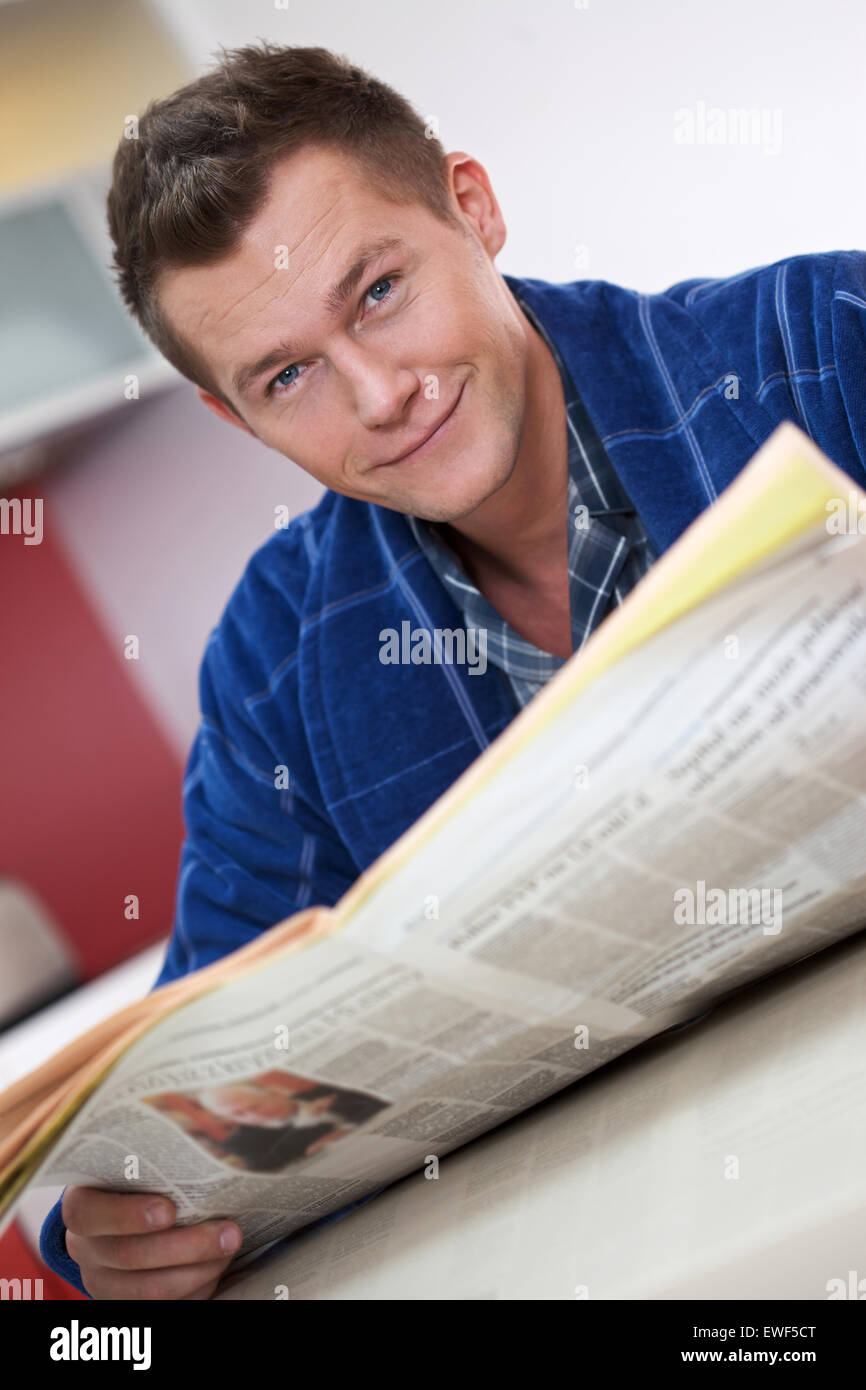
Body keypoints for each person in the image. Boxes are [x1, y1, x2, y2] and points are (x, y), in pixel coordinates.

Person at [42, 42, 866, 1299]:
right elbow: (216, 1042)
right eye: (287, 374)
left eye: (375, 292)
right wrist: (117, 1218)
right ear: (235, 416)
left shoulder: (824, 345)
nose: (378, 395)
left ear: (469, 207)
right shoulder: (274, 649)